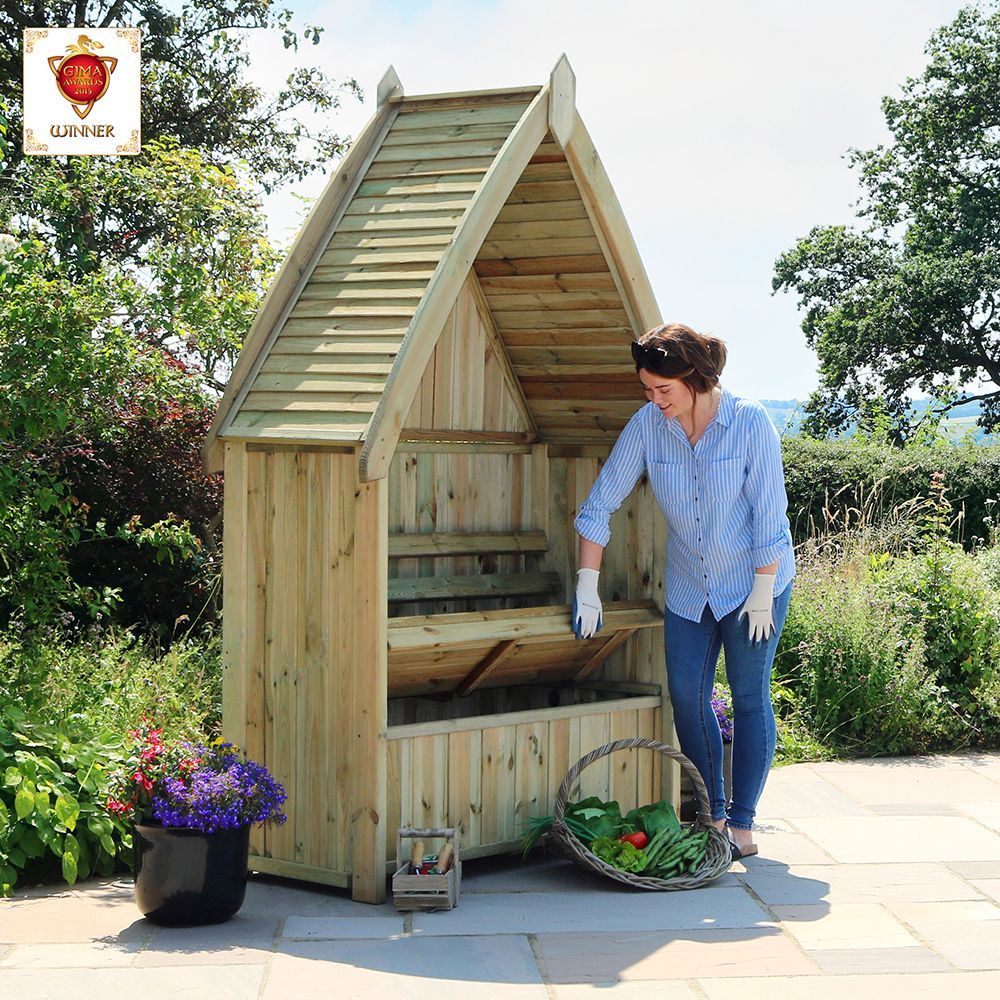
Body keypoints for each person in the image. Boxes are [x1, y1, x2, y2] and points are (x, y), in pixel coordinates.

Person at [572, 322, 795, 860]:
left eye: (663, 390)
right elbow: (600, 503)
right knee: (687, 699)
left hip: (753, 585)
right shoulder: (650, 425)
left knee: (747, 697)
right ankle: (712, 815)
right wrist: (587, 583)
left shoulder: (749, 423)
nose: (654, 400)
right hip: (691, 589)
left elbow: (770, 519)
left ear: (694, 378)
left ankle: (742, 825)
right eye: (647, 390)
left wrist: (764, 590)